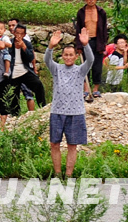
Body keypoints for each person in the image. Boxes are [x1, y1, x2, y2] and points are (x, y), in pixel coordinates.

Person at [45, 28, 93, 178]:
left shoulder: (80, 70)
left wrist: (85, 45)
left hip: (76, 112)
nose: (68, 57)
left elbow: (91, 60)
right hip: (57, 111)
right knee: (54, 144)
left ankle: (69, 175)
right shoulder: (56, 69)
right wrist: (50, 47)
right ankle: (58, 175)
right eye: (65, 54)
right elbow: (47, 60)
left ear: (76, 56)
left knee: (72, 145)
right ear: (62, 56)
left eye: (71, 55)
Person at [75, 0, 107, 100]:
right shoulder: (81, 12)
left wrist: (103, 45)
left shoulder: (101, 12)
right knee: (85, 65)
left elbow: (104, 29)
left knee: (97, 66)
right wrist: (79, 45)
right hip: (85, 41)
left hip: (97, 41)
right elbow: (78, 29)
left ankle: (95, 90)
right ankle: (86, 90)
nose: (91, 0)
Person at [7, 24, 46, 110]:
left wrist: (23, 47)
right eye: (17, 33)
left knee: (38, 84)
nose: (19, 35)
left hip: (25, 70)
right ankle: (15, 114)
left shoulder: (27, 43)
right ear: (13, 33)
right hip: (13, 71)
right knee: (13, 94)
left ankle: (42, 106)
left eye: (21, 34)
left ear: (24, 34)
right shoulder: (9, 43)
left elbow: (31, 58)